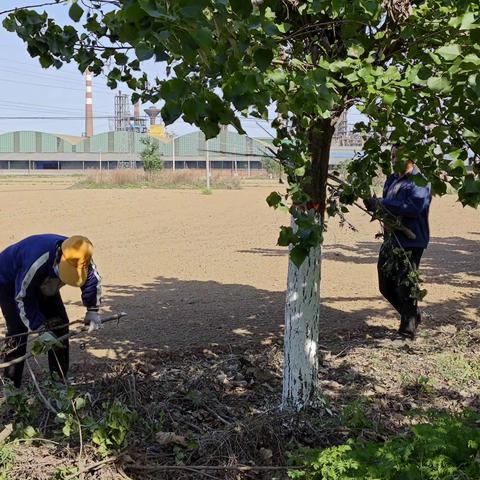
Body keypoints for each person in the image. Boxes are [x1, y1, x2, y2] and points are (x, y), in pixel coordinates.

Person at [0, 234, 102, 387]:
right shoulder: (37, 259)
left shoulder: (82, 255)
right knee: (18, 332)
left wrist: (92, 310)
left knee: (59, 324)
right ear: (60, 257)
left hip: (44, 281)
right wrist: (39, 328)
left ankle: (58, 380)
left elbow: (91, 280)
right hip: (8, 281)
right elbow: (22, 297)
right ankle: (11, 388)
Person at [364, 145, 431, 339]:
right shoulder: (391, 179)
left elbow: (413, 208)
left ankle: (407, 330)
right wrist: (374, 205)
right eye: (392, 156)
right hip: (392, 238)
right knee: (385, 285)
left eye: (397, 156)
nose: (393, 160)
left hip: (412, 240)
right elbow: (387, 208)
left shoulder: (420, 181)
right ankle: (411, 315)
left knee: (406, 285)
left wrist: (383, 203)